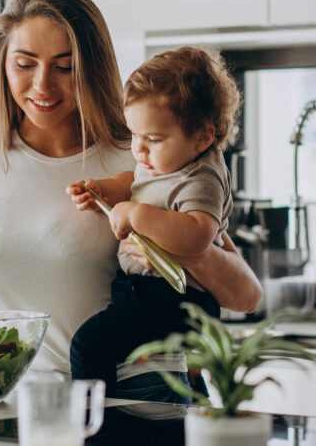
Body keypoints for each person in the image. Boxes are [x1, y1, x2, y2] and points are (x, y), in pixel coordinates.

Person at [0, 0, 261, 390]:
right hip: (24, 400)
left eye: (64, 66)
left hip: (144, 396)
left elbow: (245, 296)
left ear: (91, 66)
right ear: (4, 63)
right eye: (25, 64)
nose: (42, 84)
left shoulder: (145, 152)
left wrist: (165, 241)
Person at [66, 46, 240, 398]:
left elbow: (199, 234)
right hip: (143, 291)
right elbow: (136, 181)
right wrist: (105, 189)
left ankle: (93, 428)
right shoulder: (168, 161)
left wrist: (136, 214)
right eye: (135, 136)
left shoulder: (202, 176)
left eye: (153, 139)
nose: (140, 150)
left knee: (89, 345)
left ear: (203, 136)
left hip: (172, 298)